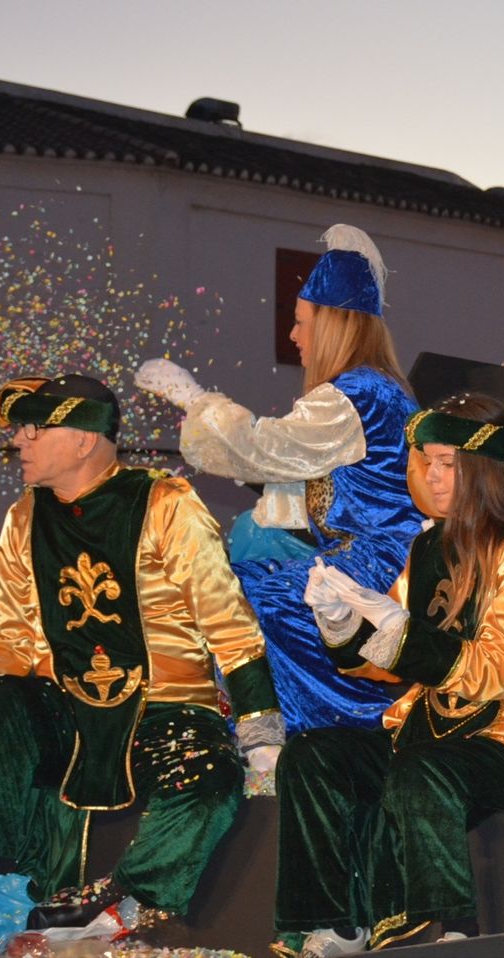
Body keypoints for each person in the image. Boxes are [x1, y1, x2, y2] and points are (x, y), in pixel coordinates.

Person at [0, 374, 279, 931]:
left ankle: (116, 894)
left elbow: (227, 621)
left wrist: (260, 729)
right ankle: (10, 888)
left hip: (164, 708)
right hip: (67, 714)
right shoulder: (25, 516)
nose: (17, 442)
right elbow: (6, 636)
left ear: (81, 438)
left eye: (31, 428)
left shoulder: (164, 502)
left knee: (208, 784)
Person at [273, 394, 504, 955]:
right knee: (311, 755)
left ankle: (442, 931)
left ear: (487, 468)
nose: (433, 477)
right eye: (425, 463)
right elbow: (389, 661)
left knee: (423, 774)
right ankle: (332, 922)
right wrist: (344, 626)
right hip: (424, 733)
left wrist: (400, 633)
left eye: (448, 464)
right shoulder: (428, 546)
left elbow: (499, 669)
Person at [135, 225, 425, 737]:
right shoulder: (370, 389)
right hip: (361, 559)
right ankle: (268, 726)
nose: (293, 336)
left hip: (376, 567)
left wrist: (193, 400)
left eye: (300, 322)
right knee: (231, 587)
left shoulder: (355, 394)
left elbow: (266, 449)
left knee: (236, 598)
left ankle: (287, 729)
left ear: (333, 324)